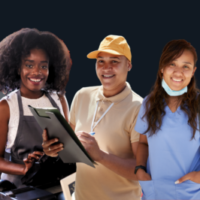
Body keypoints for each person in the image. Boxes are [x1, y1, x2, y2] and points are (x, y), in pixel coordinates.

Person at [43, 35, 143, 200]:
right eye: (101, 61)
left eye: (114, 61)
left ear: (129, 65)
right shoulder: (82, 95)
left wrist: (101, 156)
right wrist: (52, 149)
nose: (106, 68)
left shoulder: (139, 108)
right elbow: (70, 147)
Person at [0, 28, 73, 187]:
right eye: (29, 65)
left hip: (54, 185)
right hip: (18, 188)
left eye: (43, 66)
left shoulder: (58, 99)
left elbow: (69, 147)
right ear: (18, 68)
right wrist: (24, 168)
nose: (36, 72)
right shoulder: (6, 106)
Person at [135, 39, 200, 199]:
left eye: (186, 66)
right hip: (154, 192)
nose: (178, 72)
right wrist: (140, 169)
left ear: (193, 72)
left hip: (190, 193)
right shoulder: (148, 103)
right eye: (172, 64)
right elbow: (143, 143)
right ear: (162, 68)